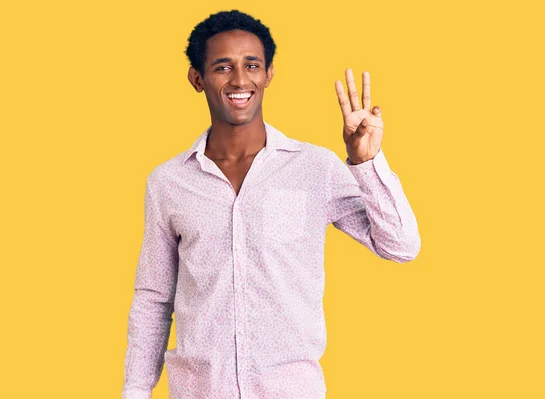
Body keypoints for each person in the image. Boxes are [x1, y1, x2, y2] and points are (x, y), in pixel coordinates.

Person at [122, 9, 421, 399]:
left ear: (268, 75)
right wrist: (134, 391)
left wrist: (366, 162)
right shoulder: (168, 182)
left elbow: (400, 246)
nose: (240, 79)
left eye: (252, 65)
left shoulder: (313, 168)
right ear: (198, 78)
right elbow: (154, 298)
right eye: (222, 67)